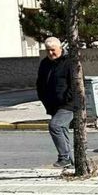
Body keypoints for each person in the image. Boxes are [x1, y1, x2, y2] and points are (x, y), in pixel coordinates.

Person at [36, 37, 77, 168]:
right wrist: (43, 98)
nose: (51, 53)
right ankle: (73, 163)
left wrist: (68, 99)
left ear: (60, 48)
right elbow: (40, 83)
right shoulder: (45, 63)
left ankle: (64, 157)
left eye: (53, 50)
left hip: (68, 104)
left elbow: (76, 84)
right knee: (62, 130)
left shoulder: (69, 62)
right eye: (48, 50)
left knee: (55, 126)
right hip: (53, 105)